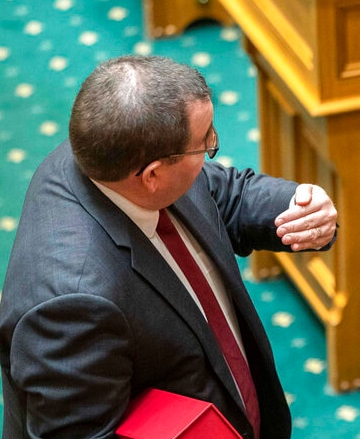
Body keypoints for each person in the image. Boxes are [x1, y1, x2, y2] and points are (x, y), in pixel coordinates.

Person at [0, 55, 338, 439]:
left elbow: (218, 192)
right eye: (206, 141)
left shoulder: (115, 151)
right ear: (153, 176)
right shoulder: (72, 306)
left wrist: (298, 207)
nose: (213, 145)